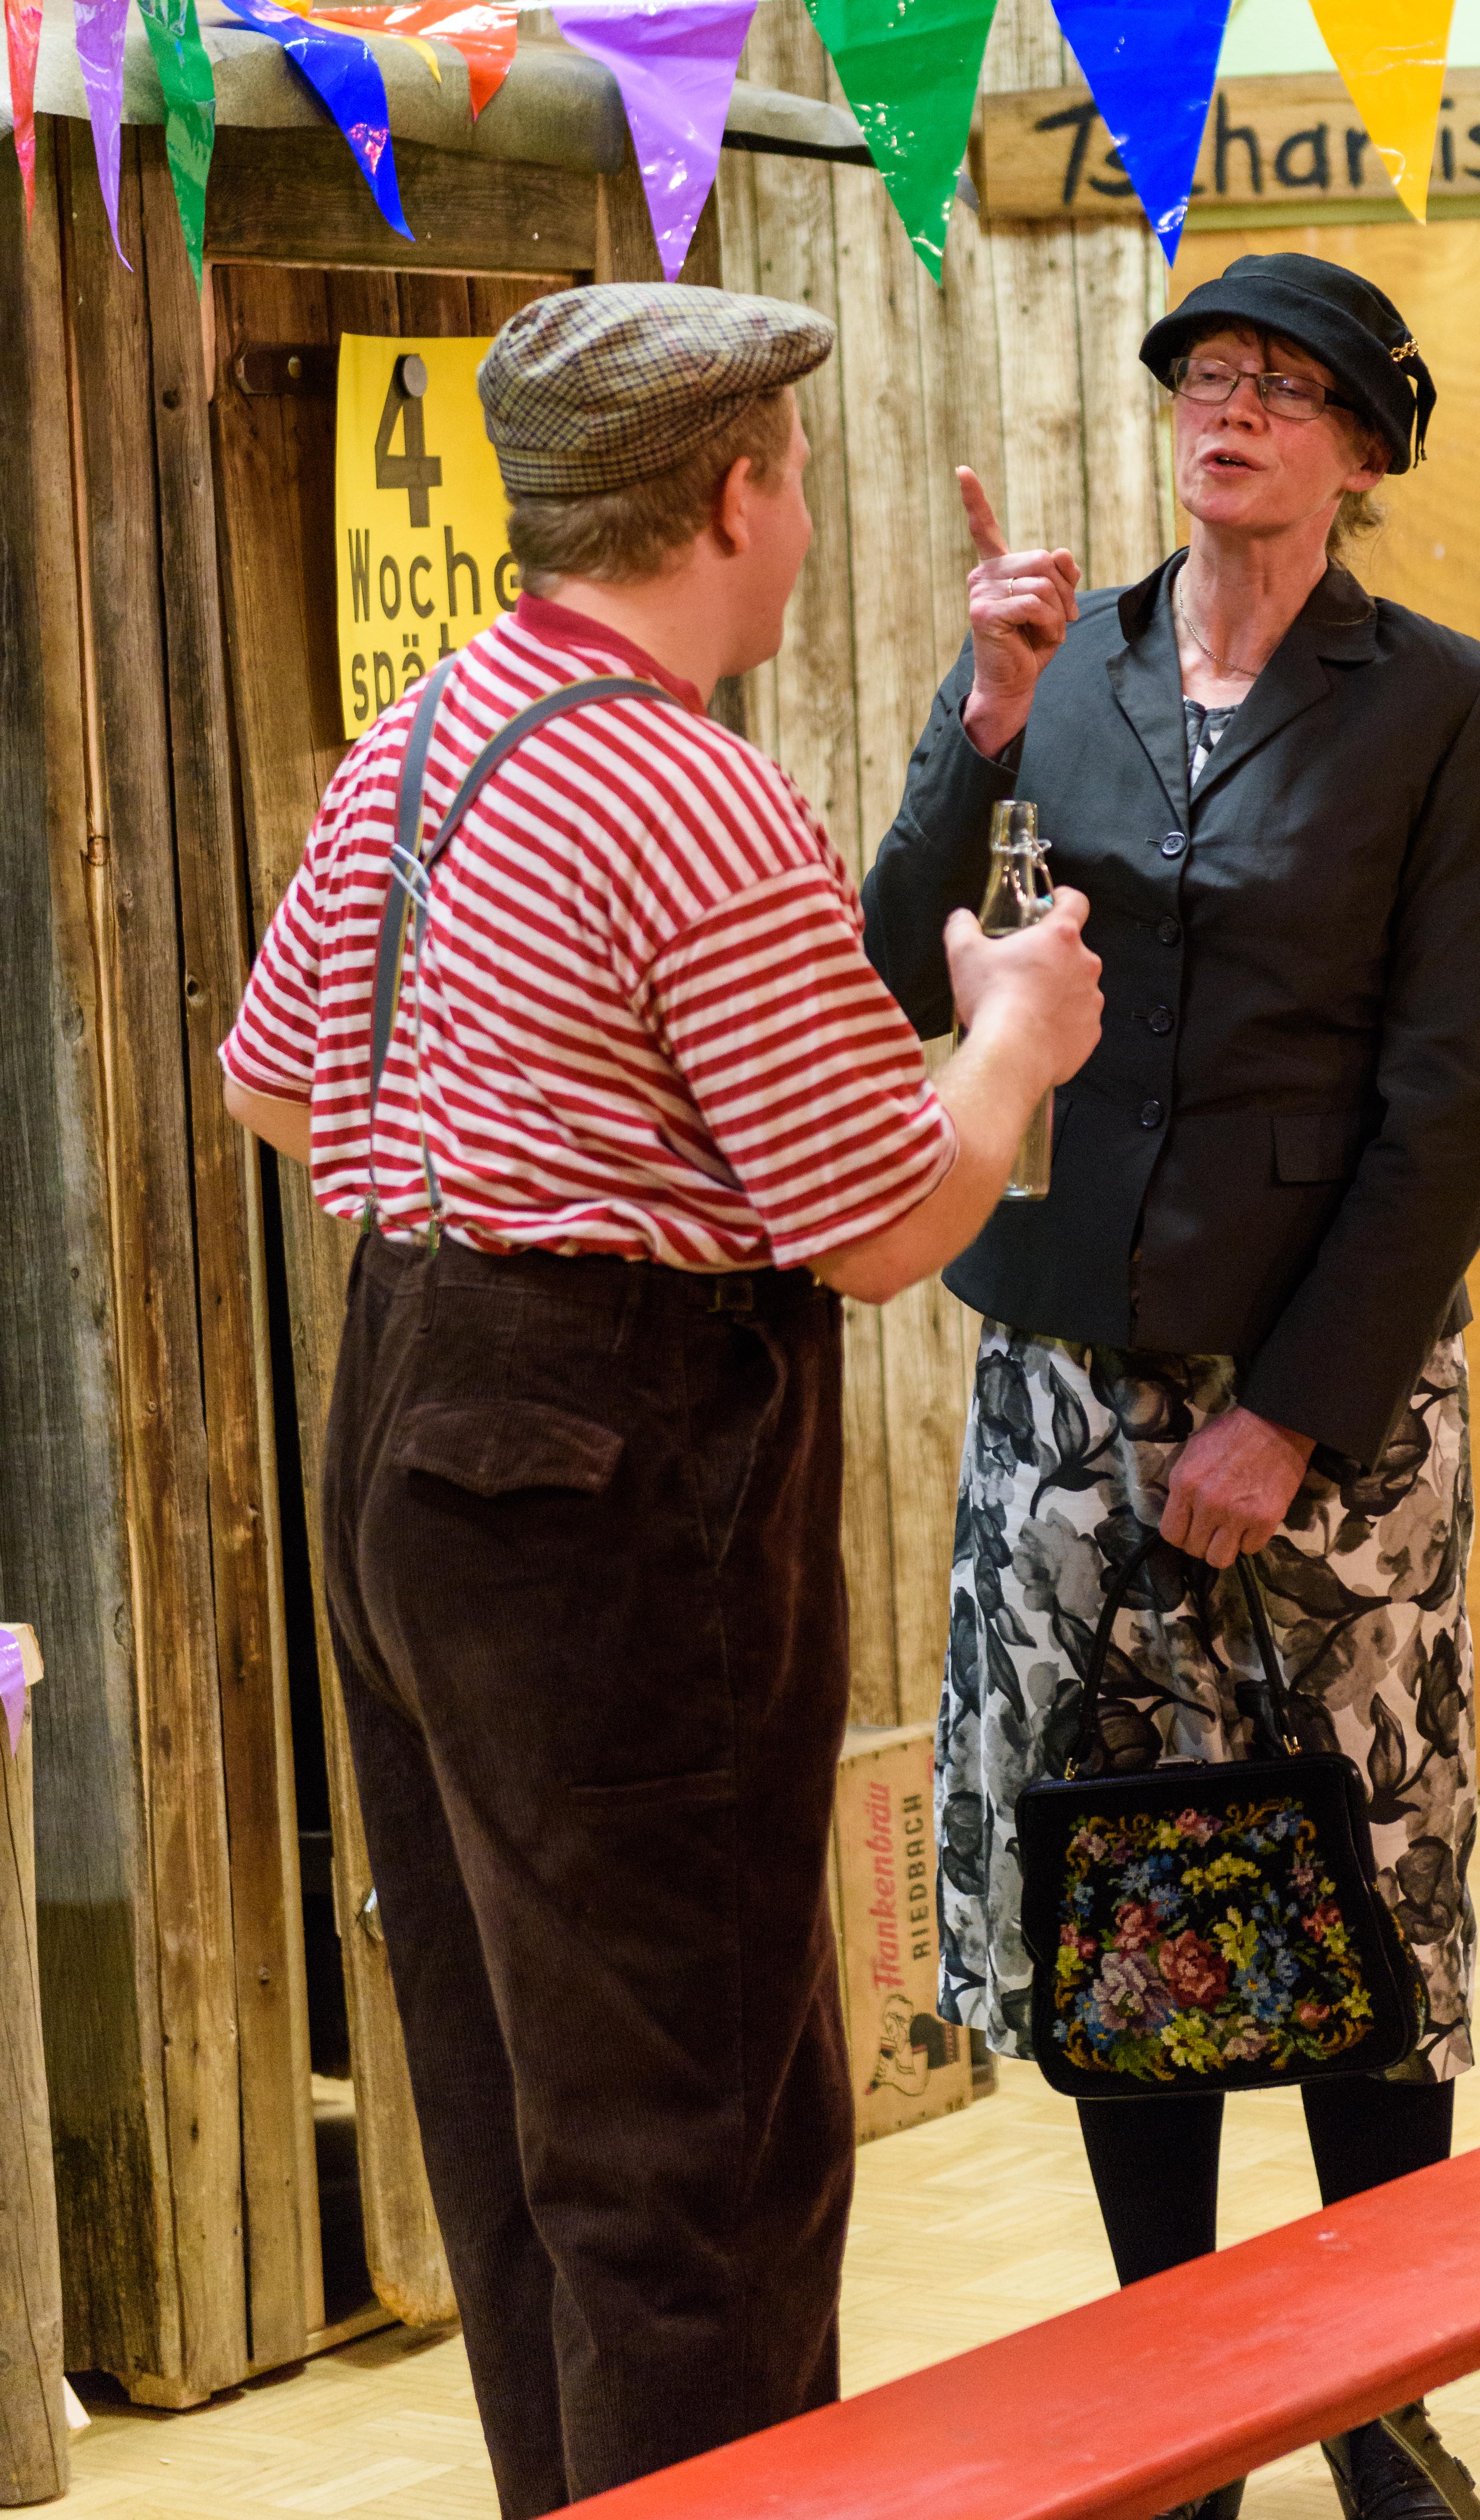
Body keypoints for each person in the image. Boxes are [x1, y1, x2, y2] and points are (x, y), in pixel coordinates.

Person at [220, 283, 1102, 2517]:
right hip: (619, 1466)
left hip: (409, 1406)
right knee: (699, 2144)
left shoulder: (418, 738)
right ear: (730, 494)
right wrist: (1011, 1035)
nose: (797, 520)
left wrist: (525, 1149)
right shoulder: (695, 789)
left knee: (526, 2111)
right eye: (790, 480)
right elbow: (877, 1217)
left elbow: (275, 1091)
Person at [863, 253, 1480, 2520]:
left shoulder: (1439, 705)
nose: (1229, 411)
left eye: (1282, 386)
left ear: (1362, 447)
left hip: (1327, 1421)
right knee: (1115, 1901)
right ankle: (1176, 2427)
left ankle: (1383, 2413)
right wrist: (977, 723)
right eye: (1204, 377)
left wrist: (1292, 1411)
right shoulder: (1062, 667)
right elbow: (898, 965)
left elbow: (1452, 1104)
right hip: (1068, 1397)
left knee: (1361, 1894)